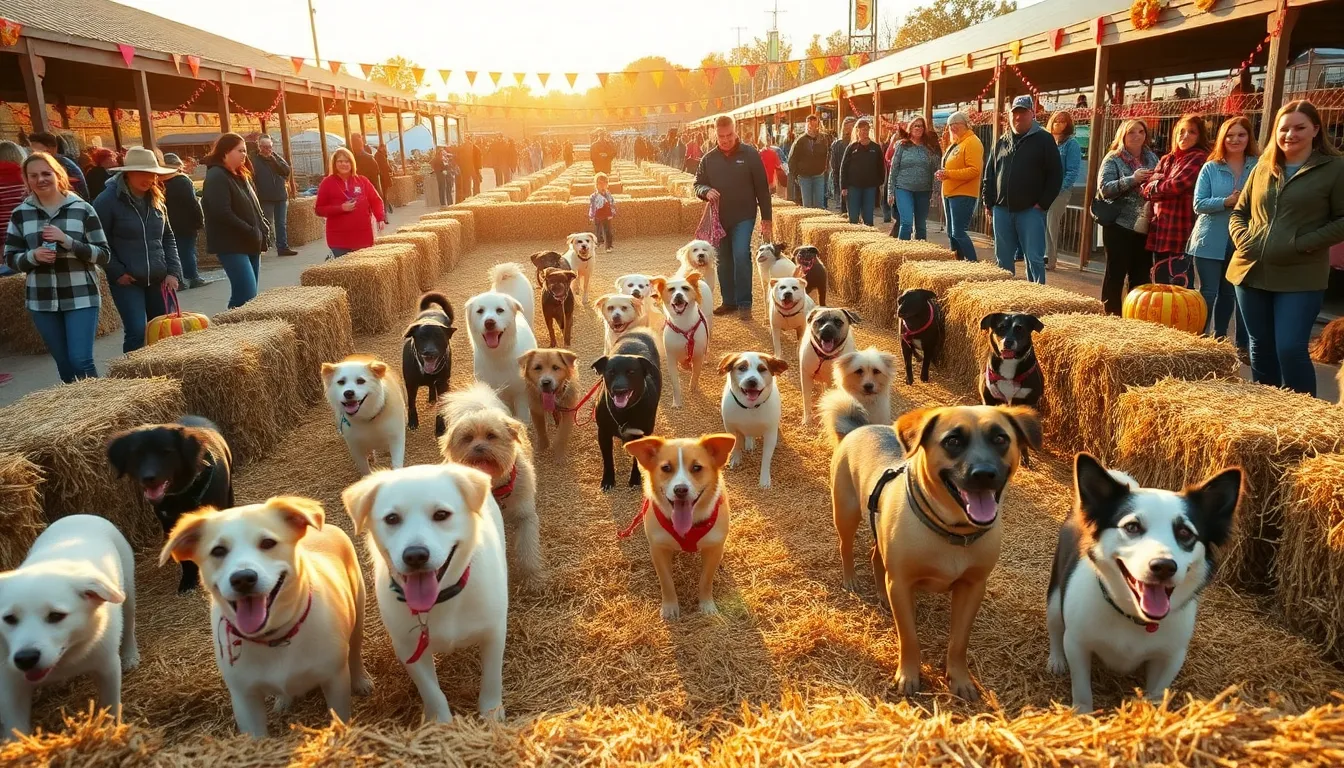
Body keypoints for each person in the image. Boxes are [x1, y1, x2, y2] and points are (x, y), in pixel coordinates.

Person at [1229, 100, 1344, 396]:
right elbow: (1239, 213)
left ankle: (1304, 417)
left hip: (1301, 274)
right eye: (1284, 128)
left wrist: (1302, 244)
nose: (1290, 134)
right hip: (1251, 271)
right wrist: (1245, 240)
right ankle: (1268, 413)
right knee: (1260, 346)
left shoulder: (1335, 168)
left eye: (1299, 128)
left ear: (1316, 129)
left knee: (1291, 347)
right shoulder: (1262, 168)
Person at [4, 152, 110, 382]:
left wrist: (68, 242)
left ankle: (96, 406)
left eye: (46, 173)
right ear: (27, 180)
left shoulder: (82, 209)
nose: (40, 179)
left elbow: (104, 254)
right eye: (33, 175)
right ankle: (75, 413)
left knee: (80, 359)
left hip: (80, 294)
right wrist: (33, 256)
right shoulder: (20, 214)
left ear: (57, 174)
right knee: (64, 363)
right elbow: (10, 258)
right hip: (41, 299)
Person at [92, 147, 183, 353]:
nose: (148, 178)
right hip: (128, 280)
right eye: (141, 172)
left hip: (158, 278)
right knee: (136, 331)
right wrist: (117, 272)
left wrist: (173, 272)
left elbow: (168, 237)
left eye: (151, 173)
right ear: (127, 173)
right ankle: (134, 380)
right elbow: (99, 241)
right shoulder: (106, 201)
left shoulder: (157, 200)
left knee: (162, 331)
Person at [694, 114, 772, 321]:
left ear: (735, 131)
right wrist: (705, 190)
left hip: (744, 215)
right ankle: (729, 301)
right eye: (721, 136)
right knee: (723, 259)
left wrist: (767, 218)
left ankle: (745, 302)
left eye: (729, 135)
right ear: (715, 134)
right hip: (719, 218)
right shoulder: (708, 159)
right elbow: (697, 184)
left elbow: (762, 189)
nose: (726, 139)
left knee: (740, 253)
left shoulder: (750, 154)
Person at [1190, 116, 1258, 348]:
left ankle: (1220, 340)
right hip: (1210, 237)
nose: (1235, 139)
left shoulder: (1258, 165)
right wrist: (1227, 201)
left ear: (1249, 137)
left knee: (1230, 293)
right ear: (1222, 138)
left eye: (1241, 135)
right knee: (1208, 292)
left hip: (1242, 238)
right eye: (1230, 135)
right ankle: (1201, 340)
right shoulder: (1211, 167)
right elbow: (1198, 204)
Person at [981, 95, 1063, 284]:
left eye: (1023, 113)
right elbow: (989, 174)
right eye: (1015, 113)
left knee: (1033, 258)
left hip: (1030, 210)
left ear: (1032, 114)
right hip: (1001, 209)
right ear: (1010, 115)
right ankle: (1005, 296)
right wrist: (988, 202)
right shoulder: (1002, 140)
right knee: (1003, 258)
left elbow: (1055, 175)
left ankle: (1036, 298)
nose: (1018, 117)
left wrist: (1043, 203)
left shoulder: (1044, 139)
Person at [201, 132, 269, 309]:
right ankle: (229, 328)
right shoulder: (217, 175)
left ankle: (242, 329)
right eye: (240, 150)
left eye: (245, 151)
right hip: (231, 243)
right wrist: (249, 229)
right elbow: (220, 211)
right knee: (245, 293)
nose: (244, 154)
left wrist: (261, 227)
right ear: (225, 152)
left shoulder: (241, 175)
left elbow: (253, 205)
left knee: (251, 296)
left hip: (250, 240)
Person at [1097, 119, 1159, 314]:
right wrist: (1133, 179)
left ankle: (1134, 317)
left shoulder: (1152, 158)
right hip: (1119, 225)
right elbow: (1104, 189)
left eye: (1141, 131)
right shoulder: (1113, 158)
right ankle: (1111, 317)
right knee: (1115, 275)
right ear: (1123, 134)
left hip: (1144, 226)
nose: (1137, 135)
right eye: (1132, 132)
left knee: (1141, 276)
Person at [1142, 114, 1211, 285]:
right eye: (1181, 132)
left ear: (1200, 135)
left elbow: (1177, 185)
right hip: (1159, 229)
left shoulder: (1199, 157)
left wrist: (1156, 183)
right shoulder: (1167, 159)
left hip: (1179, 231)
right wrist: (1156, 185)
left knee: (1180, 283)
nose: (1185, 136)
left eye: (1191, 132)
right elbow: (1144, 189)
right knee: (1159, 282)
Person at [315, 147, 387, 259]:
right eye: (340, 161)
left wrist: (380, 217)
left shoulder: (362, 181)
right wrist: (341, 208)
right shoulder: (327, 183)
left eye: (347, 161)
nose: (344, 164)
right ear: (334, 163)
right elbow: (319, 209)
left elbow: (376, 200)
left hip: (363, 237)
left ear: (352, 163)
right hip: (339, 240)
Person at [936, 111, 984, 262]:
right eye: (950, 125)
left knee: (958, 232)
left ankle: (972, 263)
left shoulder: (972, 142)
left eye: (956, 124)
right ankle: (958, 263)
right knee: (951, 233)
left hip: (963, 194)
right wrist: (944, 174)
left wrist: (948, 174)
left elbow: (974, 170)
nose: (952, 128)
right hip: (950, 193)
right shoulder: (956, 144)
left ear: (965, 125)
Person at [886, 116, 940, 240]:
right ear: (910, 128)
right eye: (915, 125)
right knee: (906, 222)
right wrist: (890, 191)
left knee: (921, 225)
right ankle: (902, 253)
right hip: (903, 188)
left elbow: (936, 170)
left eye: (921, 126)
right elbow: (894, 169)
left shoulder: (929, 147)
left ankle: (920, 254)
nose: (918, 128)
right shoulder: (901, 145)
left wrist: (935, 191)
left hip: (923, 190)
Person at [161, 153, 208, 290]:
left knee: (174, 252)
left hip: (169, 222)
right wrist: (199, 221)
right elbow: (192, 203)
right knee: (187, 251)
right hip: (186, 223)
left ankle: (179, 279)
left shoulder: (160, 182)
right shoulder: (183, 180)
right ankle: (192, 277)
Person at [1046, 112, 1083, 268]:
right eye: (1056, 121)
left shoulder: (1071, 144)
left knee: (1051, 223)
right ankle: (1041, 255)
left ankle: (1050, 259)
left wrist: (1060, 189)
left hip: (1060, 191)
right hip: (1043, 189)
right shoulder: (1047, 141)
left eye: (1063, 122)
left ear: (1068, 125)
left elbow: (1072, 171)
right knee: (1040, 223)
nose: (1059, 124)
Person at [250, 136, 298, 257]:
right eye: (264, 147)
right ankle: (261, 247)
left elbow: (286, 171)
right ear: (259, 147)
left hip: (280, 196)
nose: (267, 150)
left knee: (281, 223)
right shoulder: (254, 160)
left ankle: (282, 247)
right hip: (265, 197)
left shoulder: (276, 157)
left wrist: (273, 159)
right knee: (266, 223)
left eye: (269, 147)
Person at [839, 119, 885, 227]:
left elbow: (881, 167)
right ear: (857, 131)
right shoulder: (852, 148)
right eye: (862, 130)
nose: (864, 132)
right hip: (853, 186)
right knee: (853, 217)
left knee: (868, 217)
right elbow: (844, 167)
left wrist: (879, 182)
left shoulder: (876, 148)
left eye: (866, 130)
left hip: (869, 187)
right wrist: (844, 186)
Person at [27, 132, 88, 199]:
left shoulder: (61, 164)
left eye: (38, 152)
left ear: (52, 148)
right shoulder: (64, 161)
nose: (33, 155)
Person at [789, 114, 830, 209]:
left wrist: (825, 169)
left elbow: (827, 155)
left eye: (815, 125)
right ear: (806, 125)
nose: (813, 128)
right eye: (810, 126)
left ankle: (818, 223)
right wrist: (796, 175)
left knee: (819, 205)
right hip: (804, 176)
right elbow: (792, 159)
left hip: (819, 175)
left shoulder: (823, 139)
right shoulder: (799, 141)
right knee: (807, 205)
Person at [829, 116, 857, 213]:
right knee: (844, 205)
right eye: (848, 126)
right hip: (842, 177)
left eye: (853, 126)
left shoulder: (859, 143)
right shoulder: (837, 144)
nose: (850, 128)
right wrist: (837, 179)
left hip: (856, 177)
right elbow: (834, 164)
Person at [590, 172, 617, 253]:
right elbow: (592, 206)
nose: (602, 186)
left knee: (608, 230)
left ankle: (609, 246)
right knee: (598, 230)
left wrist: (612, 213)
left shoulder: (608, 195)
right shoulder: (593, 196)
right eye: (600, 184)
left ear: (607, 184)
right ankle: (599, 243)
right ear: (596, 185)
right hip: (598, 215)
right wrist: (592, 215)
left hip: (606, 215)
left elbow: (612, 203)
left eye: (604, 183)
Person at [375, 144, 395, 213]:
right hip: (382, 178)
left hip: (384, 177)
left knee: (385, 193)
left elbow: (386, 165)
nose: (385, 149)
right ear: (381, 148)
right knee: (383, 193)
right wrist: (389, 170)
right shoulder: (378, 156)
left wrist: (390, 170)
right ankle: (384, 208)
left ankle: (386, 207)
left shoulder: (381, 155)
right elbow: (383, 166)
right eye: (384, 148)